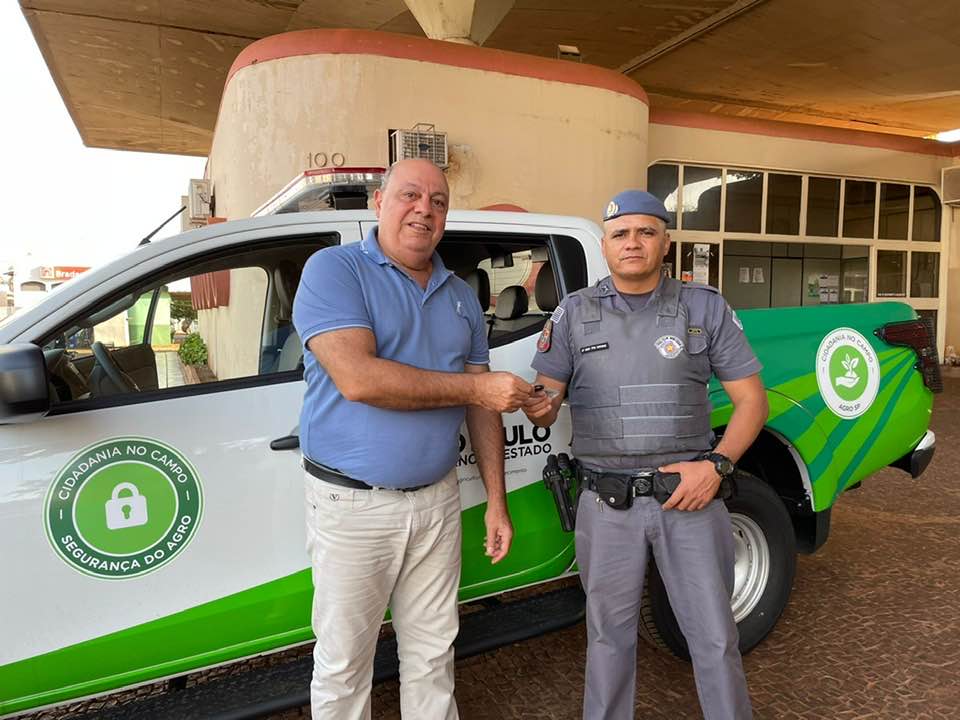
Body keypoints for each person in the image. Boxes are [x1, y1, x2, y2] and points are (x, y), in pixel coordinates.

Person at [292, 158, 533, 720]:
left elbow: (482, 406)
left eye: (439, 201)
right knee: (344, 665)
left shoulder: (461, 296)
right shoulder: (335, 269)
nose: (424, 209)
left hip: (437, 501)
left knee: (431, 655)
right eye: (409, 195)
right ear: (379, 203)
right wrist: (478, 389)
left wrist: (496, 501)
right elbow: (359, 378)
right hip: (353, 505)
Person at [522, 190, 768, 720]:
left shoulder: (703, 307)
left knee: (715, 636)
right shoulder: (573, 313)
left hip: (691, 499)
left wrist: (718, 465)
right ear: (606, 246)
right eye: (620, 234)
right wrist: (527, 401)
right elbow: (544, 407)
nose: (632, 243)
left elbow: (753, 402)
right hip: (607, 504)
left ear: (665, 242)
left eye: (645, 232)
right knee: (608, 638)